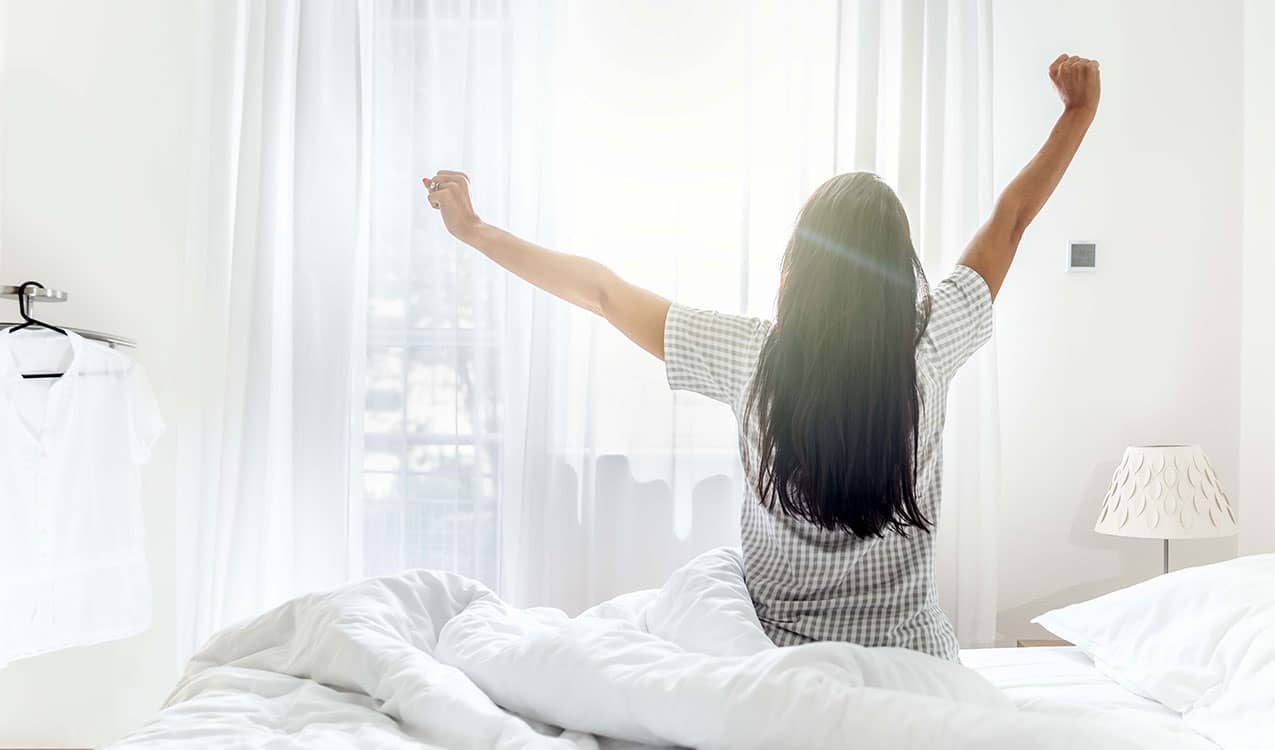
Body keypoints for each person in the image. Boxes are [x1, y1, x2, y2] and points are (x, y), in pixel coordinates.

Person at [423, 53, 1100, 660]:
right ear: (900, 273)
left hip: (776, 664)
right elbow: (1012, 218)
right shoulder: (932, 342)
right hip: (912, 659)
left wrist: (476, 231)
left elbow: (602, 292)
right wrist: (1077, 115)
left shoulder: (749, 356)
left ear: (799, 267)